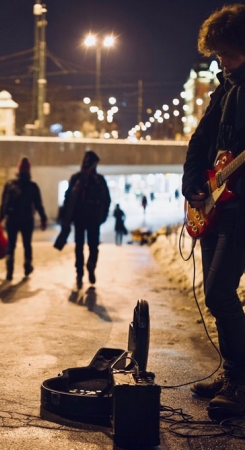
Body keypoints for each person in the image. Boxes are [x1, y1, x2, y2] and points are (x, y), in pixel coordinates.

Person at [182, 4, 245, 418]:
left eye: (225, 51)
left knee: (222, 290)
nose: (219, 58)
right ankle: (232, 372)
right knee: (215, 293)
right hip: (215, 204)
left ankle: (240, 382)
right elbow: (201, 141)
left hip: (241, 209)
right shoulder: (225, 87)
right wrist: (194, 185)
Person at [60, 150, 111, 289]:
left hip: (79, 219)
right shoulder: (99, 180)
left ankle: (79, 273)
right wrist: (103, 216)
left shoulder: (76, 178)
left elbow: (67, 198)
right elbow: (107, 200)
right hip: (94, 219)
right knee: (93, 245)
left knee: (79, 246)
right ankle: (92, 265)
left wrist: (65, 217)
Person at [0, 157, 47, 280]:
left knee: (11, 245)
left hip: (12, 219)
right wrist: (43, 218)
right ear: (28, 171)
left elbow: (4, 202)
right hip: (27, 219)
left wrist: (1, 216)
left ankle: (9, 271)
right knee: (27, 244)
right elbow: (38, 204)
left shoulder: (10, 185)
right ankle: (27, 267)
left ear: (18, 170)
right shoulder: (32, 186)